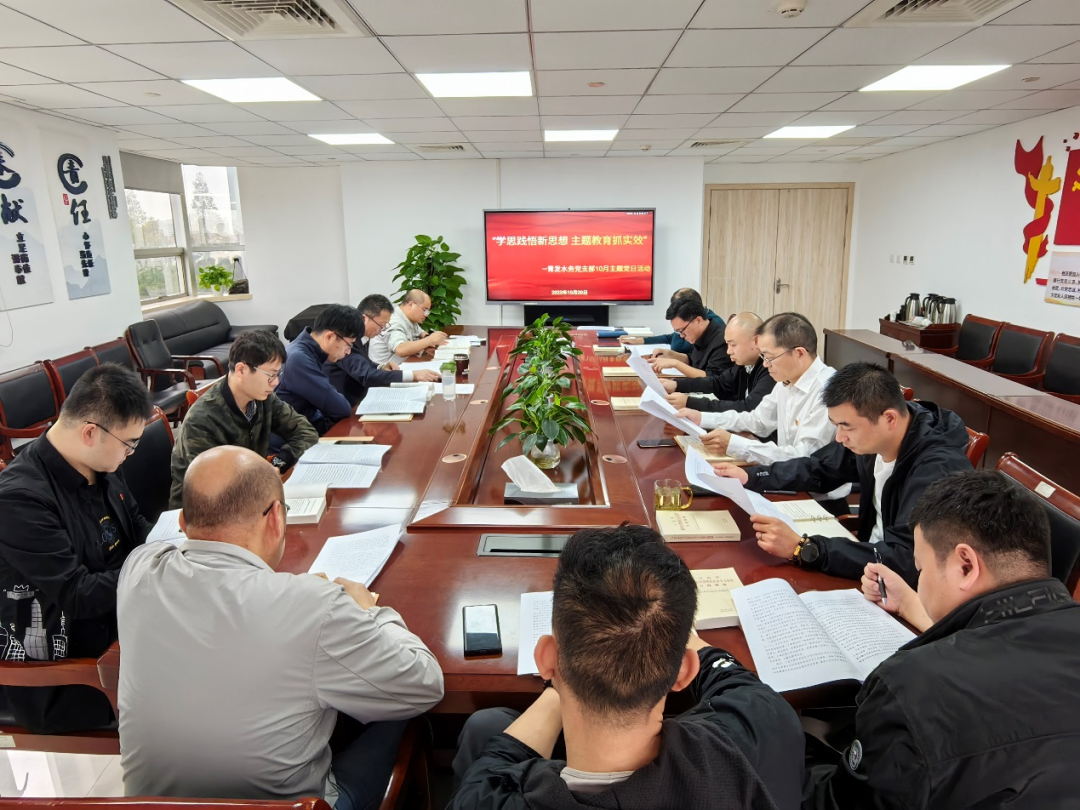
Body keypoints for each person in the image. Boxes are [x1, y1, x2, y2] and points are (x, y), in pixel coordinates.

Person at [119, 446, 444, 806]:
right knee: (400, 712)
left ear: (182, 523)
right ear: (276, 517)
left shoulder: (137, 570)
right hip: (294, 805)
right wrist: (370, 611)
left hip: (150, 805)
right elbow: (424, 685)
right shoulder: (316, 606)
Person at [450, 523, 804, 810]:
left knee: (486, 726)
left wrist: (568, 671)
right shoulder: (763, 729)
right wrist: (670, 636)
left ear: (545, 659)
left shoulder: (482, 800)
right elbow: (734, 682)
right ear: (683, 671)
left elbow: (494, 765)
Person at [805, 470, 1080, 809]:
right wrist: (911, 605)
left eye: (920, 569)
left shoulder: (910, 688)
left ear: (966, 565)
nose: (919, 582)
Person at [713, 362, 970, 586]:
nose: (839, 437)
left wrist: (804, 548)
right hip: (868, 564)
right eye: (835, 425)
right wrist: (753, 477)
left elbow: (906, 560)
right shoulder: (875, 438)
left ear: (889, 419)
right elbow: (821, 467)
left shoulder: (937, 469)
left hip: (901, 587)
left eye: (846, 427)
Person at [0, 364, 153, 733]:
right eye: (130, 443)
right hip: (67, 670)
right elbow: (78, 594)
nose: (131, 452)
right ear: (90, 433)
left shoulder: (101, 463)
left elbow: (136, 526)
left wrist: (175, 548)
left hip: (122, 622)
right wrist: (157, 571)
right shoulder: (20, 499)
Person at [169, 330, 317, 508]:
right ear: (241, 370)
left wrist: (279, 463)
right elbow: (211, 488)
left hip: (250, 496)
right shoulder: (202, 420)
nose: (275, 382)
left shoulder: (262, 399)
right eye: (271, 375)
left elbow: (304, 430)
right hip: (202, 512)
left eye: (278, 374)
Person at [677, 312, 836, 464]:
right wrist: (702, 418)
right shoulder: (786, 380)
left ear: (799, 353)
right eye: (763, 357)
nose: (765, 364)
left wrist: (735, 444)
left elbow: (804, 456)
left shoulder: (827, 391)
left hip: (808, 481)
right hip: (784, 472)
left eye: (770, 357)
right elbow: (758, 420)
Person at [328, 294, 441, 408]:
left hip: (363, 397)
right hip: (348, 405)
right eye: (381, 325)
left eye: (385, 325)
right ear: (364, 318)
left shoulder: (363, 336)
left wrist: (380, 367)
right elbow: (366, 375)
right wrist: (413, 375)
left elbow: (364, 363)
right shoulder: (346, 340)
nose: (382, 330)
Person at [275, 304, 364, 434]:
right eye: (349, 345)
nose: (348, 352)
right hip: (294, 438)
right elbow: (340, 408)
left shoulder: (304, 350)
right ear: (329, 337)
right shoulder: (299, 359)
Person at [662, 312, 775, 413]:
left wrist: (690, 403)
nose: (728, 351)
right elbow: (718, 383)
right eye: (728, 345)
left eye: (733, 345)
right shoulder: (743, 364)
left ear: (755, 341)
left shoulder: (771, 369)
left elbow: (748, 408)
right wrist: (676, 385)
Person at [618, 288, 725, 355]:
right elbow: (671, 338)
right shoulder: (690, 324)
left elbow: (678, 348)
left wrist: (673, 359)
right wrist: (641, 340)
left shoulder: (711, 326)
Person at [647, 297, 732, 380]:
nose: (681, 336)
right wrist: (670, 354)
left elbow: (712, 379)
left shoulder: (722, 341)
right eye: (678, 332)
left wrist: (675, 363)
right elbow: (694, 361)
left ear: (698, 321)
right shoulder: (701, 334)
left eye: (682, 330)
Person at [367, 289, 448, 365]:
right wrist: (429, 340)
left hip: (403, 365)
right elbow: (400, 349)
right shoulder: (394, 321)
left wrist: (427, 337)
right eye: (424, 310)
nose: (426, 315)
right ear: (411, 305)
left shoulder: (409, 318)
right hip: (386, 371)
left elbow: (420, 333)